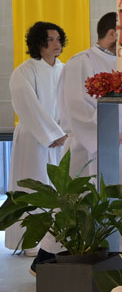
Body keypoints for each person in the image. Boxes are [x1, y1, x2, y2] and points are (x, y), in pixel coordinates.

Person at [6, 22, 67, 259]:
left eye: (58, 39)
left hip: (61, 138)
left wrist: (63, 132)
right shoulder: (24, 71)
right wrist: (51, 133)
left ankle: (55, 241)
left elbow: (71, 102)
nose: (56, 44)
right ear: (38, 43)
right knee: (33, 185)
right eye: (50, 40)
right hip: (34, 138)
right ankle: (30, 240)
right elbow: (26, 104)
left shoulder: (64, 70)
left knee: (58, 189)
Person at [57, 12, 122, 185]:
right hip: (89, 149)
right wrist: (105, 136)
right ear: (112, 33)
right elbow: (77, 109)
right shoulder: (81, 62)